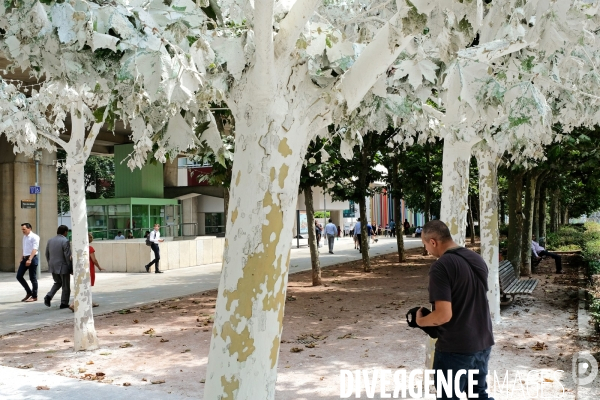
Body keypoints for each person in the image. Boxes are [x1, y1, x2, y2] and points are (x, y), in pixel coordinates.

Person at [416, 220, 495, 400]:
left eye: (425, 244)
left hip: (456, 348)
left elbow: (443, 315)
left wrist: (421, 321)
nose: (426, 250)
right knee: (478, 395)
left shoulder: (441, 266)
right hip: (482, 341)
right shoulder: (475, 258)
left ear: (433, 242)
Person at [44, 225, 72, 309]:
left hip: (53, 265)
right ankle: (64, 303)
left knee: (58, 282)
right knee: (66, 286)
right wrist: (70, 268)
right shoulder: (65, 241)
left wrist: (50, 263)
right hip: (63, 266)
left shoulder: (50, 240)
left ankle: (48, 296)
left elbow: (46, 254)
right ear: (65, 232)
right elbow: (67, 256)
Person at [17, 223, 40, 302]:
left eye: (24, 229)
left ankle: (34, 296)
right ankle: (29, 292)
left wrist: (30, 259)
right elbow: (24, 248)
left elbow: (35, 249)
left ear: (29, 228)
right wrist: (22, 257)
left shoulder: (35, 237)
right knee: (19, 276)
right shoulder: (24, 237)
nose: (23, 231)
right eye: (22, 229)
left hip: (32, 258)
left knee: (32, 278)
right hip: (25, 258)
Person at [88, 233, 104, 307]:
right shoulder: (90, 248)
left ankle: (88, 302)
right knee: (88, 286)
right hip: (89, 268)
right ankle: (88, 302)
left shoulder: (78, 248)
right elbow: (94, 260)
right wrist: (99, 267)